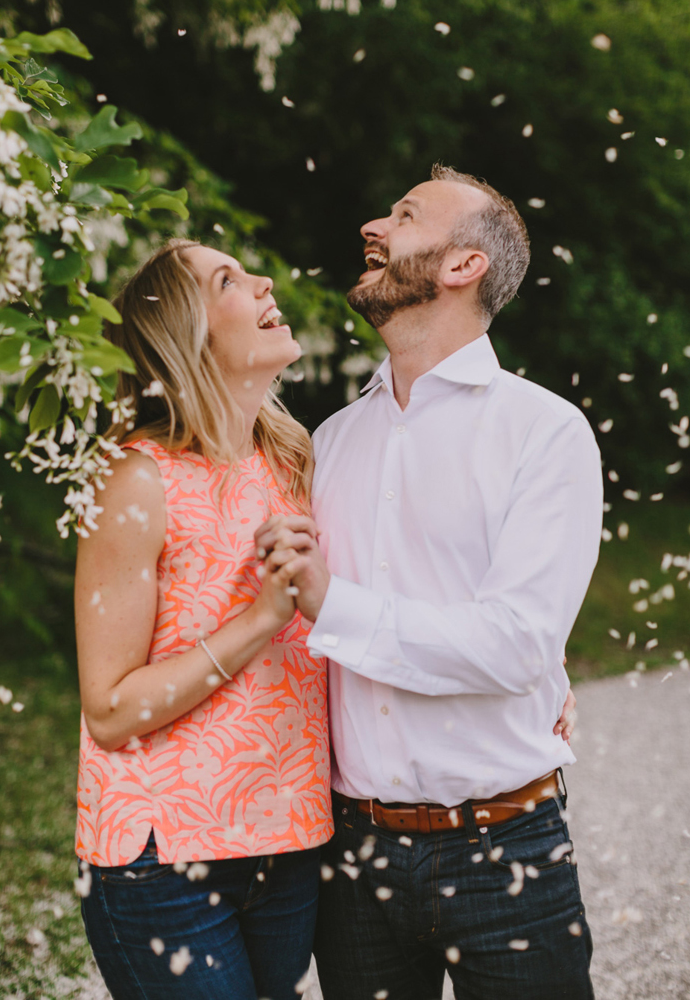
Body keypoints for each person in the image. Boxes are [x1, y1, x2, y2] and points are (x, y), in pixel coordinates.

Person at [259, 165, 599, 999]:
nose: (374, 225)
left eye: (406, 216)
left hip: (506, 848)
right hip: (353, 857)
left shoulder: (545, 433)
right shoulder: (328, 441)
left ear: (462, 265)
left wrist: (335, 604)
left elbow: (517, 642)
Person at [73, 238, 332, 1000]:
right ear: (186, 335)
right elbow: (111, 709)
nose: (265, 279)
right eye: (229, 278)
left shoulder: (292, 459)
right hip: (162, 859)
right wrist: (259, 619)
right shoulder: (133, 479)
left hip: (289, 837)